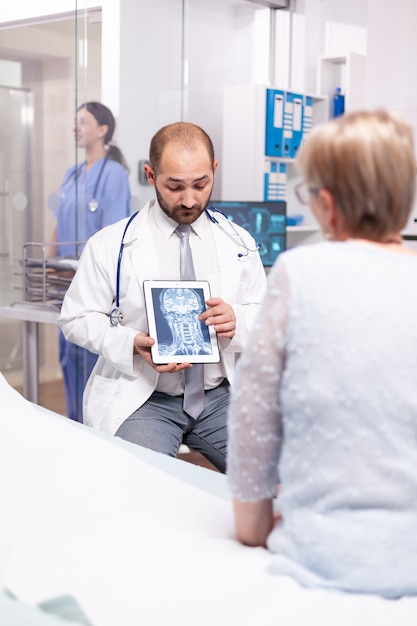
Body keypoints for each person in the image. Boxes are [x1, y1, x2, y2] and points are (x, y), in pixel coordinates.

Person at [227, 109, 417, 598]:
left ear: (327, 205)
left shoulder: (298, 272)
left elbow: (254, 417)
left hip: (322, 556)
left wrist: (253, 527)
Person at [58, 121, 267, 473]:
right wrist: (130, 343)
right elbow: (75, 319)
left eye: (201, 184)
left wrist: (237, 321)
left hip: (220, 397)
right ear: (150, 174)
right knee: (143, 485)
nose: (189, 199)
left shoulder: (240, 243)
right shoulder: (111, 245)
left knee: (274, 477)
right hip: (145, 398)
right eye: (175, 186)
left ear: (214, 171)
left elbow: (265, 314)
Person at [50, 102, 131, 423]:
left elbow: (114, 235)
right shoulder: (72, 173)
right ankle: (74, 425)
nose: (76, 127)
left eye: (83, 122)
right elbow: (58, 221)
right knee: (68, 354)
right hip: (63, 279)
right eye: (75, 122)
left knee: (89, 357)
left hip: (92, 282)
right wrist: (48, 264)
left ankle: (93, 433)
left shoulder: (114, 175)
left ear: (103, 130)